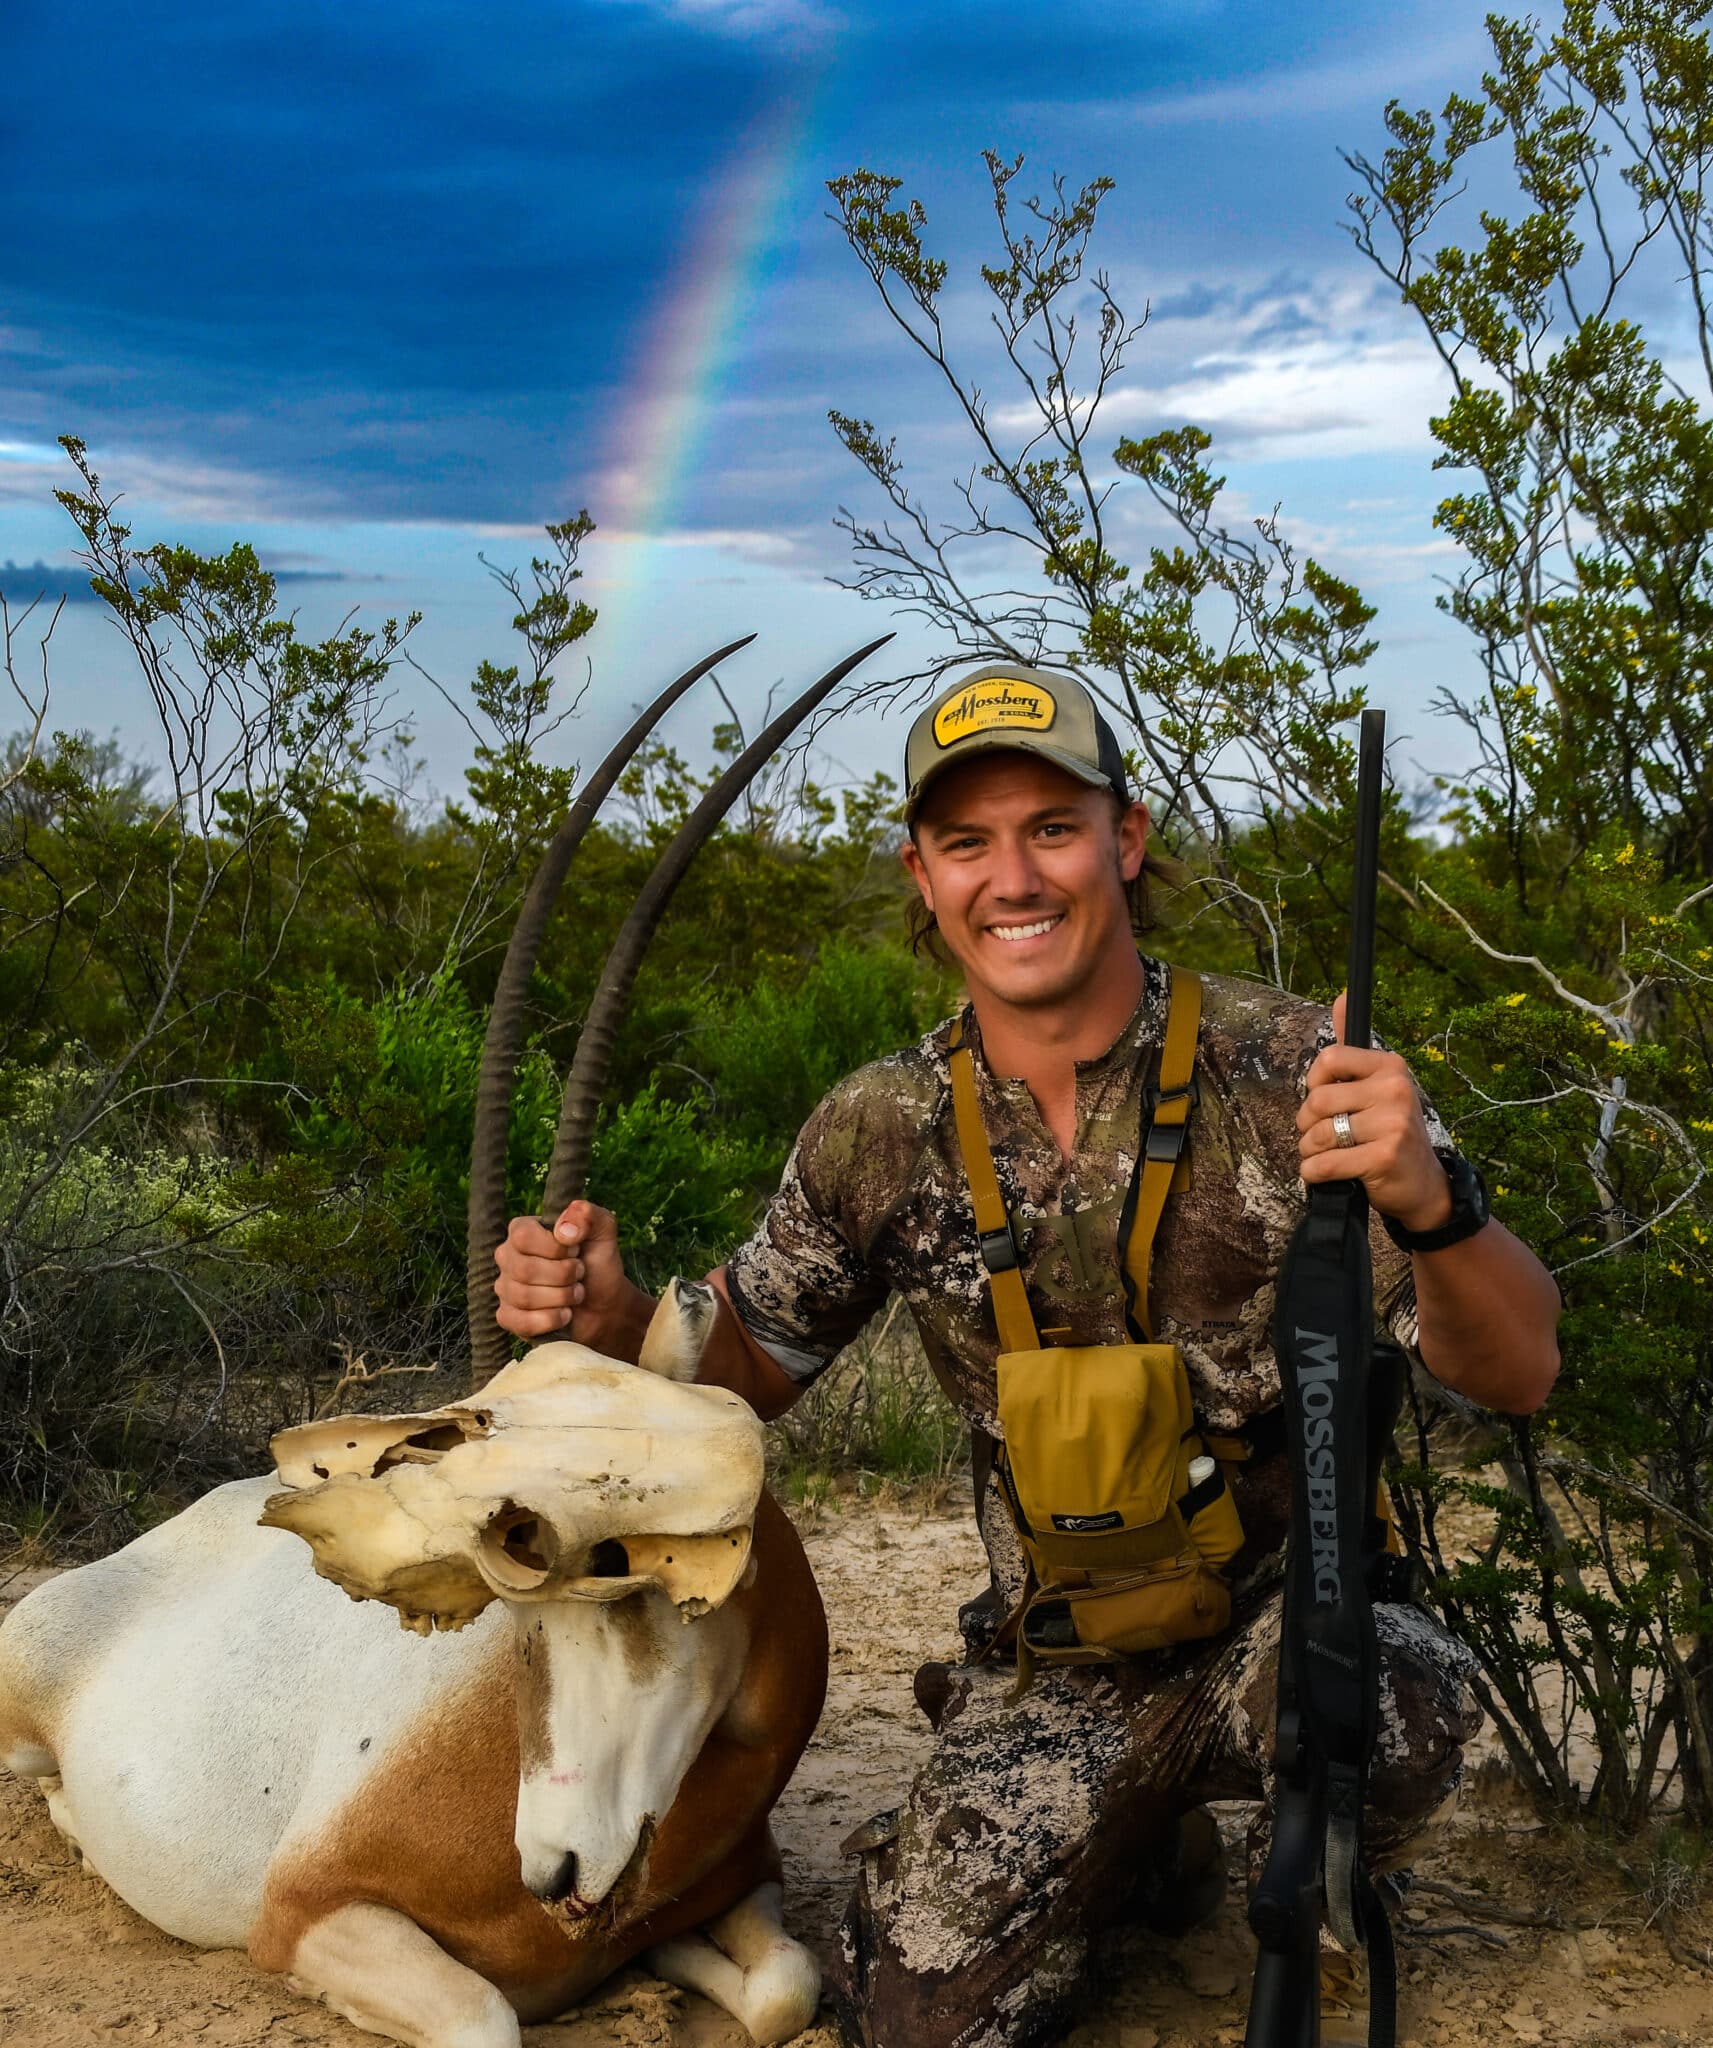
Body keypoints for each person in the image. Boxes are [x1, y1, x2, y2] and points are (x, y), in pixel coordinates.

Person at [494, 662, 1561, 2048]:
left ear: (1121, 840)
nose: (1014, 877)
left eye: (1051, 828)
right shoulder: (873, 1127)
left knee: (1395, 1709)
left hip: (1287, 1627)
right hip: (1063, 1656)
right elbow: (746, 1369)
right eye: (966, 842)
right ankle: (1134, 1849)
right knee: (916, 2015)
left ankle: (1304, 1870)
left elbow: (1515, 1368)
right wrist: (607, 1312)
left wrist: (1431, 1202)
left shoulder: (1297, 1066)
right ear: (922, 876)